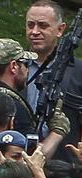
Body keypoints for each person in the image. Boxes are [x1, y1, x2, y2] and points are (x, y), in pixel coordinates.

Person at [0, 38, 70, 159]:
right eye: (26, 64)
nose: (27, 70)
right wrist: (58, 130)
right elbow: (30, 157)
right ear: (14, 66)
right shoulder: (12, 105)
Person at [24, 0, 82, 162]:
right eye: (30, 25)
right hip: (18, 161)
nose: (34, 31)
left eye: (43, 26)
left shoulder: (78, 71)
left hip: (65, 165)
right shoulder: (15, 67)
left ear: (60, 29)